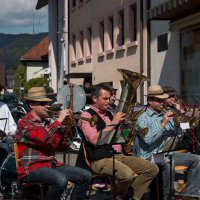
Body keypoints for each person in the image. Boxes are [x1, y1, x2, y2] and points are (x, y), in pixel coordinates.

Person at [76, 84, 159, 200]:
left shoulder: (110, 114)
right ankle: (120, 197)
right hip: (98, 159)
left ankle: (131, 196)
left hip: (117, 155)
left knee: (152, 169)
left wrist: (124, 129)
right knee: (127, 175)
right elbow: (94, 140)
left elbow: (118, 139)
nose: (108, 102)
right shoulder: (87, 115)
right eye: (105, 99)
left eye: (109, 99)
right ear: (94, 99)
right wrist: (114, 123)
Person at [15, 87, 92, 200]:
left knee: (86, 176)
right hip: (31, 167)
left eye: (47, 103)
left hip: (51, 165)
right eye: (42, 103)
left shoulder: (48, 124)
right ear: (31, 105)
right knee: (60, 180)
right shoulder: (24, 123)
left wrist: (67, 128)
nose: (47, 106)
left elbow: (62, 147)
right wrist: (58, 121)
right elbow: (43, 138)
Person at [136, 85, 200, 200]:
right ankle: (168, 197)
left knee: (197, 159)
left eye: (162, 100)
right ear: (150, 101)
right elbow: (148, 140)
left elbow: (179, 138)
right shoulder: (142, 118)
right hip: (148, 156)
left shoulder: (165, 114)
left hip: (165, 153)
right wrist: (163, 123)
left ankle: (190, 194)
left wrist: (176, 124)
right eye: (159, 100)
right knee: (168, 162)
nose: (162, 103)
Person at [0, 86, 17, 160]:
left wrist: (20, 130)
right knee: (4, 148)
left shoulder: (3, 106)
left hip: (3, 139)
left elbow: (12, 127)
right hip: (3, 145)